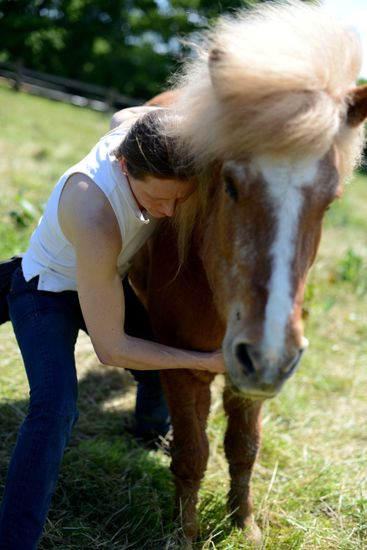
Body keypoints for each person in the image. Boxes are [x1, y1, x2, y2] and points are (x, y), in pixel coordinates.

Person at [0, 106, 224, 549]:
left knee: (158, 351)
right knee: (56, 407)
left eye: (180, 198)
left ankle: (147, 429)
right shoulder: (93, 211)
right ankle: (14, 539)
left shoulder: (135, 134)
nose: (168, 211)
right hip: (47, 293)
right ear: (124, 165)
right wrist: (202, 360)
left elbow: (130, 113)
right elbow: (112, 348)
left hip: (105, 279)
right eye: (156, 199)